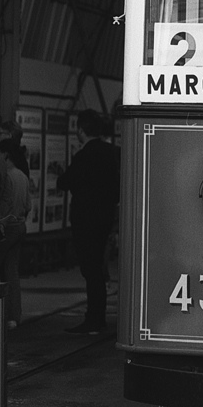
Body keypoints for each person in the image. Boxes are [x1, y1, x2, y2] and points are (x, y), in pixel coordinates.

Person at [57, 109, 121, 334]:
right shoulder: (111, 152)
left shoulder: (84, 155)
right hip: (105, 217)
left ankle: (93, 319)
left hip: (85, 219)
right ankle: (98, 317)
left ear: (82, 130)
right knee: (97, 268)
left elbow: (64, 181)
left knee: (90, 269)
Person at [0, 141, 31, 329]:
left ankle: (2, 314)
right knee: (12, 272)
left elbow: (5, 204)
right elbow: (28, 205)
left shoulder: (7, 177)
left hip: (6, 228)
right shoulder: (22, 176)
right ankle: (14, 316)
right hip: (20, 226)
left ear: (6, 155)